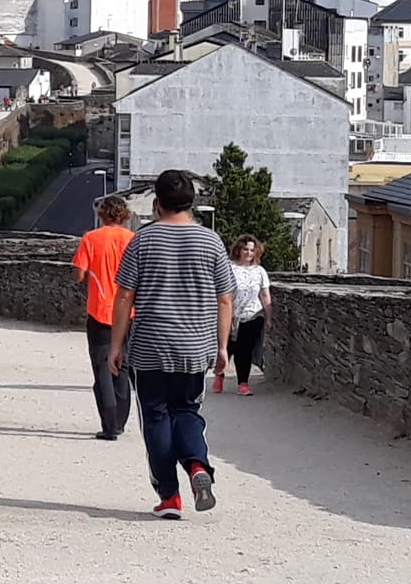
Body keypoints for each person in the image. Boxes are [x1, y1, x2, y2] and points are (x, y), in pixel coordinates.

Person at [108, 171, 233, 519]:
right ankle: (197, 465)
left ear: (156, 204)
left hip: (150, 345)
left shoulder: (142, 241)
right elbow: (225, 299)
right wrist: (223, 347)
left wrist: (115, 346)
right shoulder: (211, 242)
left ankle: (169, 497)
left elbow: (124, 296)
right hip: (194, 346)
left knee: (156, 417)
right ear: (191, 203)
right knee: (188, 412)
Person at [71, 196, 135, 440]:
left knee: (102, 368)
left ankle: (109, 426)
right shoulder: (132, 240)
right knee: (123, 367)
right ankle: (120, 421)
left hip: (100, 310)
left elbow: (79, 274)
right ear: (124, 215)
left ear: (102, 214)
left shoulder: (91, 238)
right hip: (129, 311)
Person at [221, 236, 273, 395]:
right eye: (245, 249)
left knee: (245, 349)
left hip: (253, 315)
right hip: (230, 314)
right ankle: (219, 374)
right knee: (228, 348)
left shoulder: (259, 271)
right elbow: (222, 293)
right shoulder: (229, 268)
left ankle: (243, 383)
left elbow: (265, 295)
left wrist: (269, 317)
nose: (248, 253)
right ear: (238, 250)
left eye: (252, 250)